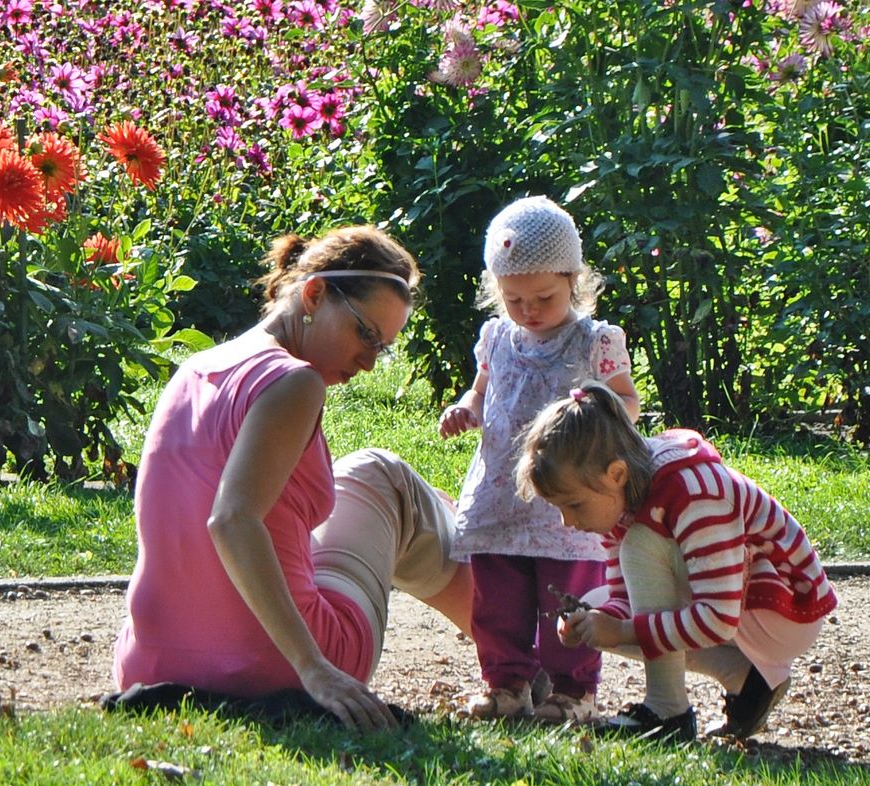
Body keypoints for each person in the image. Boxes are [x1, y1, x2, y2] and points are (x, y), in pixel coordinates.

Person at [113, 225, 473, 732]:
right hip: (283, 666)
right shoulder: (294, 382)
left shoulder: (194, 369)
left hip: (151, 664)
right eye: (366, 334)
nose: (370, 362)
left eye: (384, 348)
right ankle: (524, 652)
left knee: (366, 482)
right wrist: (314, 670)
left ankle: (484, 569)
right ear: (315, 293)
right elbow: (231, 518)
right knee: (383, 475)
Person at [515, 381, 838, 742]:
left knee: (641, 545)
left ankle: (667, 712)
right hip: (740, 607)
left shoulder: (693, 491)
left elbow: (716, 618)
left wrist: (623, 630)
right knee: (595, 608)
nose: (568, 522)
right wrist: (596, 622)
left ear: (616, 473)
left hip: (785, 610)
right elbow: (626, 598)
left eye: (573, 505)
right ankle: (747, 680)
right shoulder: (618, 499)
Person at [438, 196, 640, 720]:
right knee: (496, 601)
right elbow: (481, 390)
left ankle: (573, 690)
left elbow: (628, 402)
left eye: (543, 297)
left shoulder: (595, 341)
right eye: (513, 298)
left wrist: (598, 418)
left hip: (564, 498)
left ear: (573, 280)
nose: (528, 310)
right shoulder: (497, 337)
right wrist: (466, 408)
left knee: (565, 597)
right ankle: (506, 683)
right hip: (501, 495)